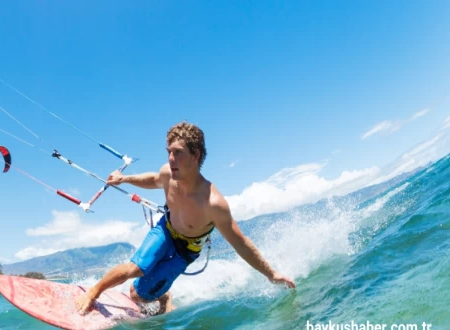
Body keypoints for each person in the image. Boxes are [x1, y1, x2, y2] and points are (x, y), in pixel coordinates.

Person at [75, 121, 296, 315]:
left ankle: (164, 296)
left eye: (178, 152)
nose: (171, 159)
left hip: (185, 251)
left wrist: (272, 274)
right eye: (169, 151)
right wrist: (124, 178)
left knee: (137, 294)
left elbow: (240, 243)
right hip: (166, 230)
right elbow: (153, 179)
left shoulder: (213, 203)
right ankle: (93, 292)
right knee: (136, 268)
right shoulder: (168, 174)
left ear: (196, 154)